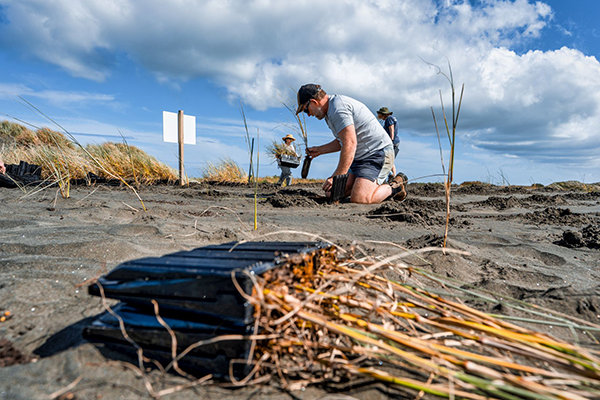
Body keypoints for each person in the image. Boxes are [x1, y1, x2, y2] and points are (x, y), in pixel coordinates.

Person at [296, 84, 407, 204]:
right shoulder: (330, 112)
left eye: (306, 110)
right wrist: (320, 150)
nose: (308, 114)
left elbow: (350, 144)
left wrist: (336, 176)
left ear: (314, 102)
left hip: (377, 153)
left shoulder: (338, 109)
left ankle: (396, 187)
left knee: (360, 199)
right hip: (360, 157)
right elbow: (342, 141)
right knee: (331, 193)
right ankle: (362, 185)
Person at [377, 107, 399, 178]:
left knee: (386, 160)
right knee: (391, 160)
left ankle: (392, 175)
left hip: (391, 142)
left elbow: (391, 129)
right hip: (395, 141)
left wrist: (390, 141)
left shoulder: (389, 119)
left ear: (384, 114)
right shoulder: (392, 118)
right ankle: (392, 176)